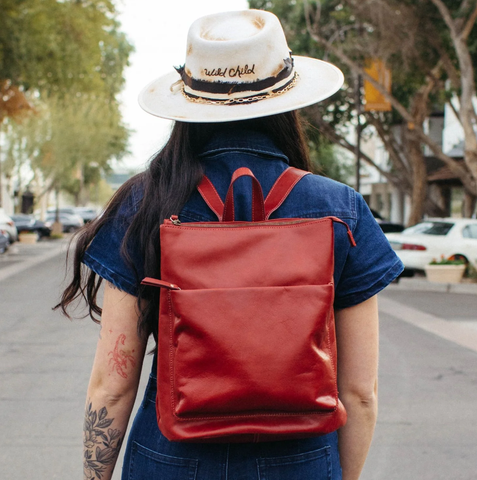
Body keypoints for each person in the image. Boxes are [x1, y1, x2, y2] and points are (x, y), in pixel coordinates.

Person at [58, 9, 403, 480]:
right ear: (287, 100)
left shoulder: (147, 201)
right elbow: (361, 391)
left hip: (170, 458)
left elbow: (113, 385)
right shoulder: (338, 207)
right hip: (300, 460)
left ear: (190, 103)